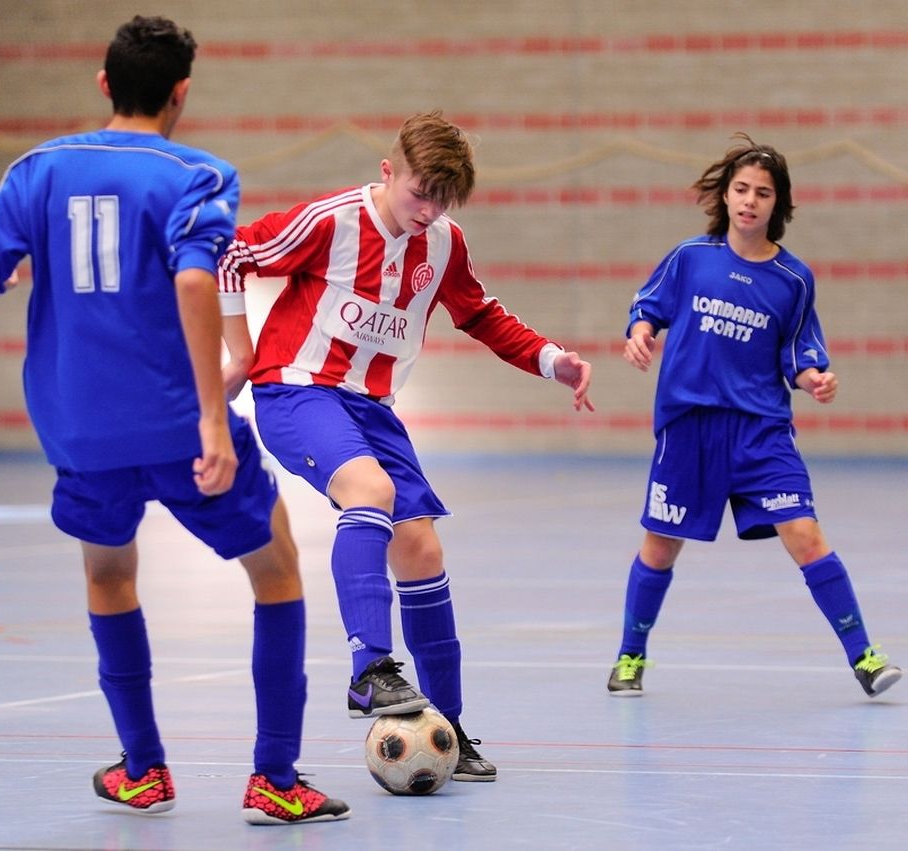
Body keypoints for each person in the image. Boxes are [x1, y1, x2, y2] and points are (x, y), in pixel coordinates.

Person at [0, 16, 348, 825]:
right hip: (175, 423)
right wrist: (210, 418)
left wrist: (29, 263)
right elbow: (198, 285)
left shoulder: (37, 171)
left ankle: (143, 768)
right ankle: (274, 775)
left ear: (103, 84)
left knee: (108, 576)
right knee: (276, 570)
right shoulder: (199, 175)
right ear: (181, 92)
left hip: (79, 431)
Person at [217, 110, 595, 782]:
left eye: (442, 200)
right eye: (419, 192)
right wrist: (240, 356)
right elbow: (232, 253)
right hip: (298, 390)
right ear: (388, 172)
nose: (428, 211)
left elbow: (480, 312)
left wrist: (550, 359)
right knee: (371, 493)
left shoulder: (444, 244)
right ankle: (369, 668)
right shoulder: (331, 222)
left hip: (372, 409)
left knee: (420, 547)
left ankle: (448, 728)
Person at [606, 133, 902, 699]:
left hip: (761, 431)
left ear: (777, 204)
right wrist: (641, 333)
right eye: (740, 189)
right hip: (690, 428)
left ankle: (864, 654)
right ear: (725, 196)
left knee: (806, 535)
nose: (749, 200)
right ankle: (629, 656)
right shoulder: (691, 258)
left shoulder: (793, 279)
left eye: (762, 192)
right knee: (660, 547)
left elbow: (800, 352)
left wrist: (815, 378)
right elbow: (648, 307)